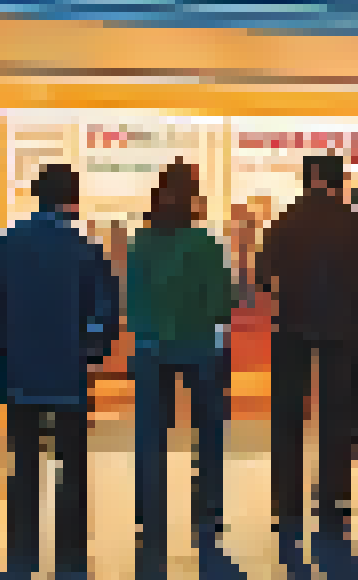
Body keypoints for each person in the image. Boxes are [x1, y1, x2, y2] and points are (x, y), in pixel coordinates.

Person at [0, 164, 116, 578]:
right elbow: (105, 312)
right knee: (71, 465)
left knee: (23, 464)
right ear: (71, 198)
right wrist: (92, 354)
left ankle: (22, 553)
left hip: (22, 372)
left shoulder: (7, 244)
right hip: (70, 374)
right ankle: (71, 555)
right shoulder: (86, 246)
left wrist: (4, 349)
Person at [258, 154, 358, 541]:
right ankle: (333, 496)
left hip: (292, 324)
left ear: (307, 179)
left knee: (289, 414)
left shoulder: (286, 219)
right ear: (336, 180)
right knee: (335, 413)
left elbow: (261, 274)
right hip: (341, 327)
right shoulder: (355, 221)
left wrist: (282, 291)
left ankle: (287, 499)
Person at [126, 159, 236, 544]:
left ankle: (149, 514)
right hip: (201, 346)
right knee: (208, 433)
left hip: (151, 348)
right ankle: (208, 514)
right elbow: (224, 302)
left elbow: (132, 301)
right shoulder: (205, 244)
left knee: (151, 434)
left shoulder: (141, 243)